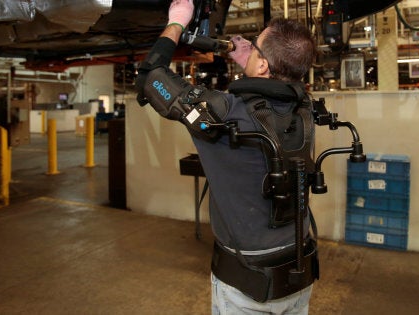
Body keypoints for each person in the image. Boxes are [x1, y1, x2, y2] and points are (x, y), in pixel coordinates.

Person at [136, 0, 318, 313]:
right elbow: (282, 86)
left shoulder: (223, 113)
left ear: (263, 66)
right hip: (299, 267)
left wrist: (177, 22)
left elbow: (151, 76)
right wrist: (254, 61)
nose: (251, 46)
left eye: (256, 46)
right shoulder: (306, 111)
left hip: (248, 284)